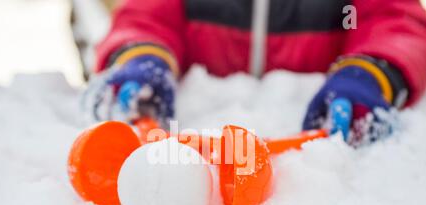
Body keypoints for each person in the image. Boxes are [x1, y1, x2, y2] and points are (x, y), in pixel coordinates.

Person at [89, 0, 426, 145]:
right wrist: (141, 56)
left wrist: (372, 72)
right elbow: (146, 17)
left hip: (317, 158)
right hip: (192, 125)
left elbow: (393, 21)